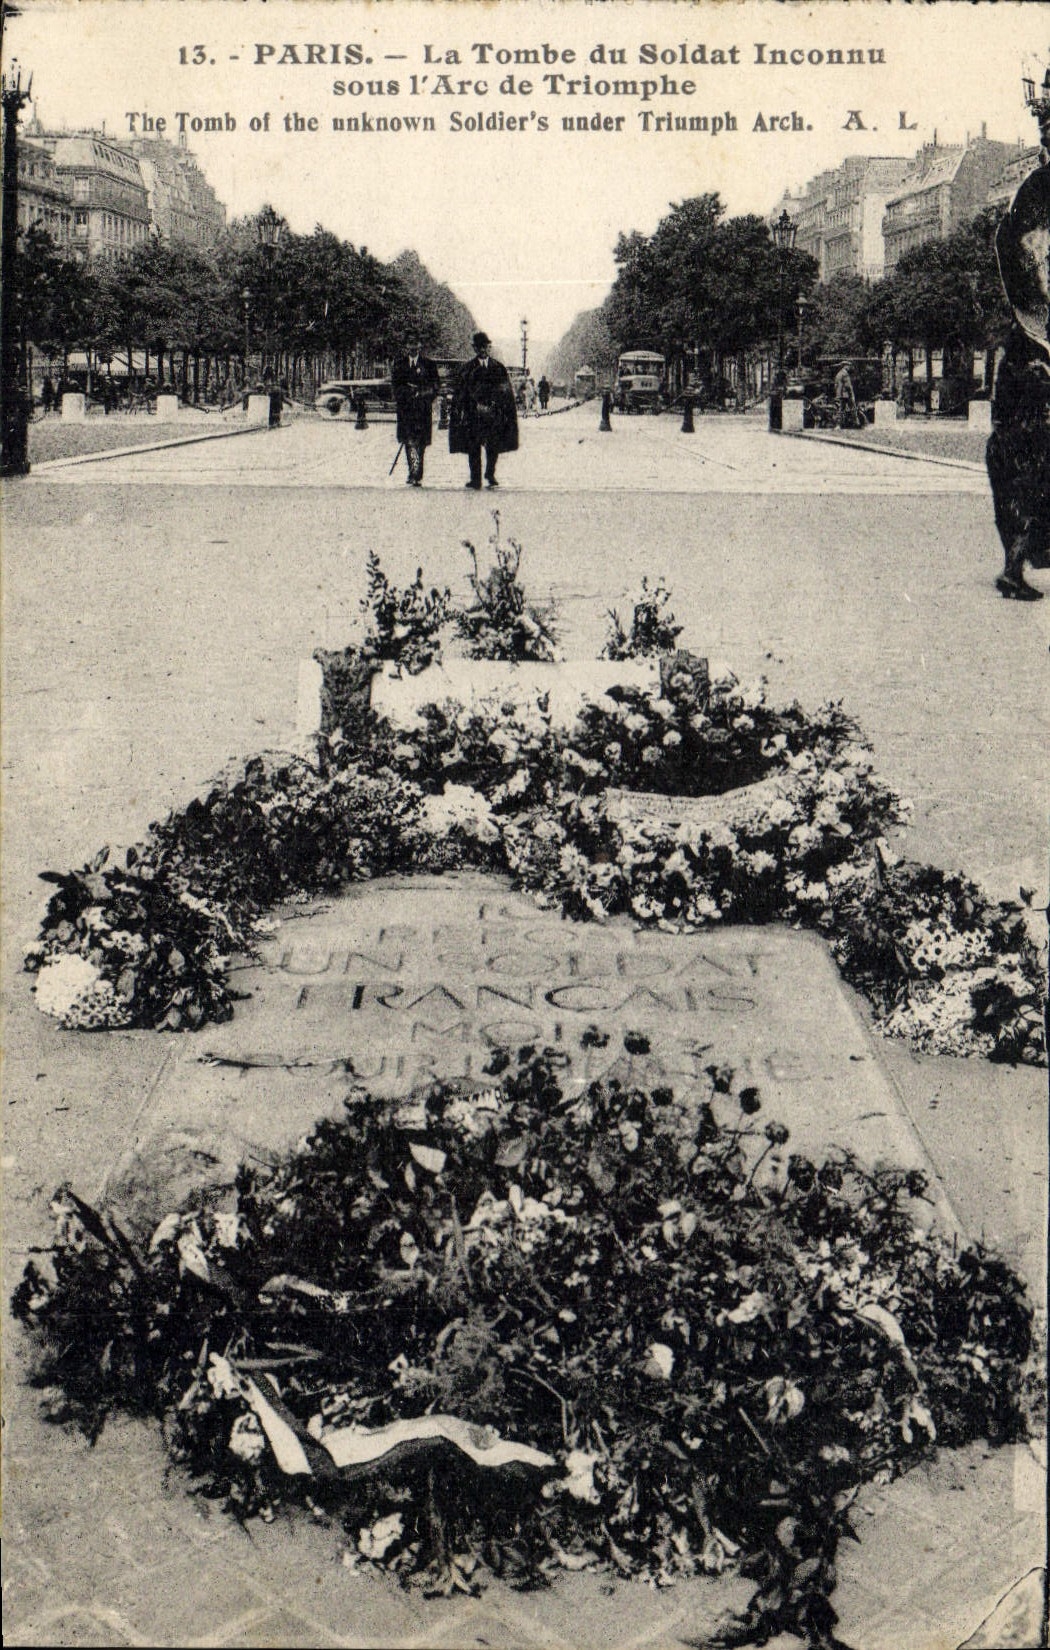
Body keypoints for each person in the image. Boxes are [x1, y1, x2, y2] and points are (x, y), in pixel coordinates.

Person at [985, 78, 1050, 601]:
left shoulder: (1029, 194)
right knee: (1031, 467)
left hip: (1027, 355)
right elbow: (1027, 267)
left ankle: (1014, 564)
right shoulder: (1035, 194)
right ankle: (1014, 564)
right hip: (1036, 354)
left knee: (1020, 468)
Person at [449, 331, 519, 489]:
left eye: (486, 347)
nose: (483, 350)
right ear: (474, 348)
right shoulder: (467, 369)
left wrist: (498, 407)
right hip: (473, 414)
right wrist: (465, 408)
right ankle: (475, 478)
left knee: (493, 445)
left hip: (493, 414)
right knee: (473, 447)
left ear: (489, 347)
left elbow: (505, 391)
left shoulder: (499, 368)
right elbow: (461, 392)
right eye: (480, 347)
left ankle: (490, 473)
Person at [391, 335, 441, 485]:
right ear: (406, 346)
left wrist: (423, 393)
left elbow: (436, 386)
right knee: (409, 442)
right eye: (410, 344)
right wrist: (407, 393)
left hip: (422, 410)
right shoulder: (399, 364)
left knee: (421, 443)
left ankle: (416, 472)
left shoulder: (429, 365)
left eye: (415, 344)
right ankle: (414, 473)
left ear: (420, 346)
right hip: (406, 410)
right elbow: (395, 386)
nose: (413, 347)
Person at [833, 362, 856, 428]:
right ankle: (855, 424)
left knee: (840, 410)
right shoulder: (845, 374)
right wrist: (852, 394)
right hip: (846, 395)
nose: (849, 367)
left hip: (839, 394)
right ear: (845, 366)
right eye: (848, 366)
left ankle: (838, 425)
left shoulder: (838, 374)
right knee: (852, 408)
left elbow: (836, 385)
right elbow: (848, 385)